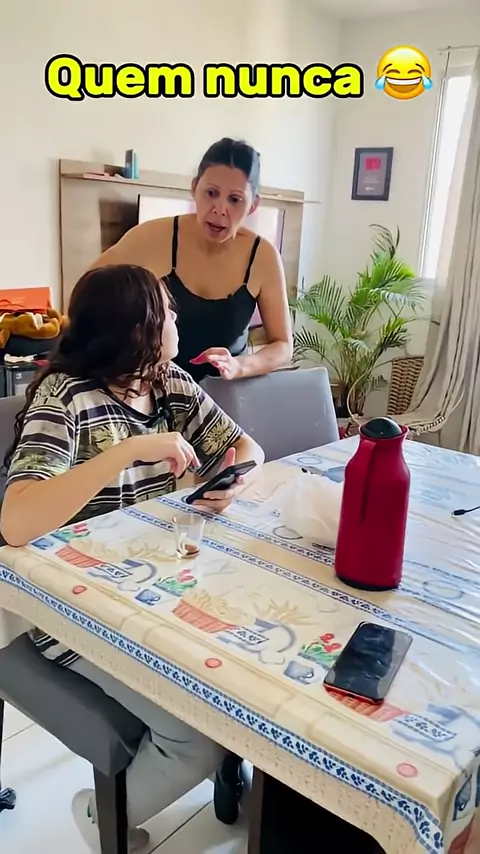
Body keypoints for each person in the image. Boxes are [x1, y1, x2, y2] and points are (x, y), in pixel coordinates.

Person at [0, 264, 264, 854]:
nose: (177, 318)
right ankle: (102, 816)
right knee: (199, 736)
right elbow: (15, 521)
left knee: (251, 673)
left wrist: (232, 482)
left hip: (156, 593)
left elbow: (245, 447)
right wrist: (126, 452)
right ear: (138, 328)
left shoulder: (166, 380)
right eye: (167, 312)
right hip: (75, 614)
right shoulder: (64, 398)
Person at [87, 137, 293, 383]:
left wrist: (239, 366)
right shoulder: (153, 237)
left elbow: (283, 345)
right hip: (157, 388)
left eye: (235, 199)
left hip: (226, 394)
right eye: (211, 193)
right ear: (194, 187)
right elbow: (88, 290)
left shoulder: (263, 256)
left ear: (253, 205)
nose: (220, 209)